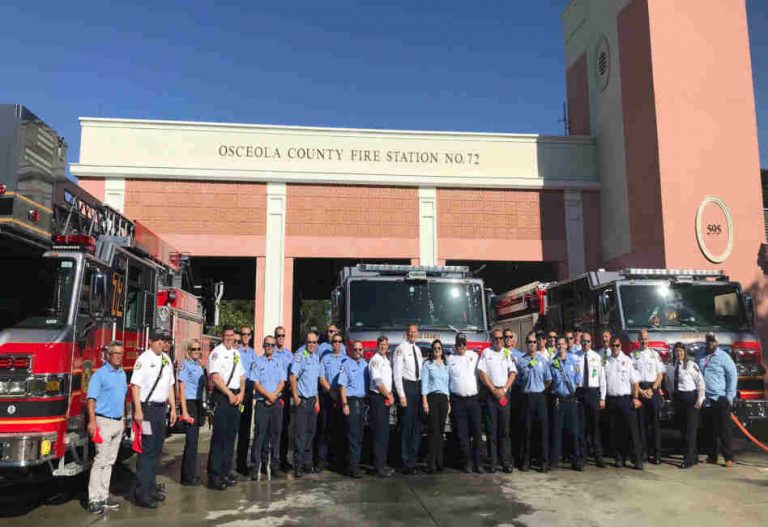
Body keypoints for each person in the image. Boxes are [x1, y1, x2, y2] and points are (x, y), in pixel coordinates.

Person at [131, 330, 177, 508]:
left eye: (163, 340)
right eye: (157, 340)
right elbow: (136, 386)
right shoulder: (144, 359)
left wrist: (173, 407)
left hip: (160, 410)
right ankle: (142, 493)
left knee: (157, 449)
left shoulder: (166, 360)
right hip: (147, 409)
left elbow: (170, 385)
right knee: (147, 450)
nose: (160, 343)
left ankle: (151, 488)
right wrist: (138, 411)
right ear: (151, 342)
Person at [86, 341, 128, 514]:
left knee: (110, 462)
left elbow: (122, 398)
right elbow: (91, 400)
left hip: (118, 421)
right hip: (103, 422)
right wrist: (92, 422)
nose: (118, 356)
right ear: (108, 355)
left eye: (121, 353)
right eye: (115, 353)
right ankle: (93, 499)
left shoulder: (122, 374)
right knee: (100, 461)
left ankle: (103, 496)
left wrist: (124, 419)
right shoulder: (99, 375)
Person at [206, 326, 246, 490]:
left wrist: (242, 392)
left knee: (230, 437)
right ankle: (214, 475)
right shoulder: (217, 353)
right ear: (222, 336)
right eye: (227, 335)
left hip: (236, 397)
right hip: (223, 397)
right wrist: (229, 394)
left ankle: (225, 471)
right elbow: (216, 378)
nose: (230, 338)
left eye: (232, 335)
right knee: (219, 438)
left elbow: (242, 375)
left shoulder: (236, 353)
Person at [478, 329, 517, 473]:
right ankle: (493, 462)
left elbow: (512, 373)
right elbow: (482, 373)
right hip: (491, 395)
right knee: (491, 429)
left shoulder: (507, 353)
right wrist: (493, 389)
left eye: (501, 338)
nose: (499, 341)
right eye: (496, 338)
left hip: (504, 395)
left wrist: (504, 389)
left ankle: (506, 462)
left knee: (505, 430)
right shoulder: (486, 353)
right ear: (491, 339)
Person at [697, 332, 737, 468]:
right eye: (708, 341)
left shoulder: (724, 357)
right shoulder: (700, 356)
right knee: (709, 429)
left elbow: (732, 376)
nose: (710, 343)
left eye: (713, 341)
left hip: (720, 397)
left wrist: (730, 396)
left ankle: (728, 457)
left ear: (717, 342)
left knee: (724, 430)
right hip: (706, 398)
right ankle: (712, 455)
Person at [604, 337, 643, 470]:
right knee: (615, 431)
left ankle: (636, 459)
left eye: (617, 345)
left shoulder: (627, 360)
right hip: (612, 400)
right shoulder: (606, 362)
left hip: (626, 399)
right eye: (613, 345)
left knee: (632, 431)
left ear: (621, 346)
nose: (615, 348)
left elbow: (635, 381)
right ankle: (619, 458)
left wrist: (635, 397)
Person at [250, 334, 286, 479]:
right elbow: (255, 383)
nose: (270, 347)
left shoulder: (279, 362)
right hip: (262, 403)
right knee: (260, 436)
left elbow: (282, 382)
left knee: (275, 435)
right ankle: (255, 467)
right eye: (267, 345)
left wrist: (274, 396)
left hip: (276, 403)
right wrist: (268, 395)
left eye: (272, 345)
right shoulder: (257, 362)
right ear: (263, 346)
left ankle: (274, 466)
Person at [516, 330, 552, 472]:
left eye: (534, 342)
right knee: (527, 431)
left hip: (540, 397)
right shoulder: (521, 361)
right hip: (526, 398)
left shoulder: (543, 361)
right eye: (529, 342)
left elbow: (548, 379)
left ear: (537, 344)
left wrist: (541, 388)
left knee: (542, 431)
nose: (532, 344)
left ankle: (543, 461)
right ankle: (526, 460)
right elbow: (517, 380)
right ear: (526, 344)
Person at [666, 342, 705, 469]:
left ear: (685, 352)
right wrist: (673, 399)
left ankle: (688, 459)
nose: (679, 353)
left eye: (681, 351)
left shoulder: (691, 366)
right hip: (678, 400)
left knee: (691, 431)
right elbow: (669, 384)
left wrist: (700, 400)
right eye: (677, 351)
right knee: (683, 430)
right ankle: (693, 457)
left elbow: (700, 383)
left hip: (691, 400)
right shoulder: (671, 367)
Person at [448, 333, 483, 473]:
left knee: (477, 432)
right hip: (457, 401)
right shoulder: (450, 359)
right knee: (462, 434)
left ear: (466, 344)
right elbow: (447, 380)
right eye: (458, 344)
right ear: (455, 345)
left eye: (463, 344)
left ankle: (478, 463)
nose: (461, 347)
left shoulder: (474, 357)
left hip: (473, 400)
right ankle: (467, 462)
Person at [393, 323, 424, 474]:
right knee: (406, 426)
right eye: (410, 332)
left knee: (417, 426)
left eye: (415, 332)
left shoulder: (417, 350)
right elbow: (397, 374)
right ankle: (405, 462)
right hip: (407, 388)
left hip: (418, 387)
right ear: (406, 333)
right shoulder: (401, 349)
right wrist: (401, 395)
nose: (412, 334)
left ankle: (413, 460)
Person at [549, 337, 583, 471]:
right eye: (558, 344)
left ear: (566, 346)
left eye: (563, 344)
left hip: (570, 399)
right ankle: (554, 461)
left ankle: (576, 460)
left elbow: (578, 379)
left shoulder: (573, 361)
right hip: (558, 399)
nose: (561, 346)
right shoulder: (552, 363)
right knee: (557, 431)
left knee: (574, 431)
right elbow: (550, 381)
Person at [290, 331, 322, 478]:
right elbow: (293, 376)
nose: (311, 345)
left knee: (311, 433)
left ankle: (308, 464)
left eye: (314, 342)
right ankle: (298, 465)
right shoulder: (300, 356)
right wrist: (295, 396)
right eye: (309, 342)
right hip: (302, 400)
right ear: (306, 342)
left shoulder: (316, 358)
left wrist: (317, 401)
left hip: (312, 401)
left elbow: (315, 382)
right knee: (300, 435)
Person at [574, 332, 606, 468]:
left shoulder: (597, 357)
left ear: (591, 342)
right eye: (583, 341)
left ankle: (598, 456)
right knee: (581, 427)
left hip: (593, 392)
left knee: (595, 426)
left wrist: (602, 398)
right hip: (580, 393)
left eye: (587, 341)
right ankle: (582, 457)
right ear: (580, 342)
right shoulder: (575, 357)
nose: (585, 344)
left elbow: (602, 378)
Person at [632, 329, 664, 464]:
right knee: (641, 424)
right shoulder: (633, 355)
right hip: (640, 390)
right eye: (641, 338)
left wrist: (653, 389)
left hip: (653, 389)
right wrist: (640, 391)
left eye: (646, 338)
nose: (644, 341)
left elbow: (660, 374)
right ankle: (643, 453)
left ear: (648, 339)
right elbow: (632, 377)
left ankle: (657, 454)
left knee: (655, 424)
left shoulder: (654, 355)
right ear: (638, 340)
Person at [317, 332, 347, 472]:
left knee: (339, 430)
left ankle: (337, 461)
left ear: (342, 343)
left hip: (341, 398)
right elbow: (321, 377)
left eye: (339, 341)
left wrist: (339, 395)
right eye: (334, 341)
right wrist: (331, 392)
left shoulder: (346, 360)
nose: (336, 343)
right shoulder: (325, 359)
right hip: (328, 397)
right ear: (331, 343)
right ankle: (321, 461)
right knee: (324, 429)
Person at [178, 338, 206, 486]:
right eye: (193, 349)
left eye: (198, 349)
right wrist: (184, 411)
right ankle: (187, 477)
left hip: (197, 403)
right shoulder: (185, 365)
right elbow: (181, 389)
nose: (196, 351)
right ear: (188, 351)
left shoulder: (198, 365)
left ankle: (190, 474)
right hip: (189, 403)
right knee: (190, 442)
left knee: (194, 442)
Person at [339, 340, 368, 478]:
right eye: (356, 350)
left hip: (362, 402)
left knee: (360, 435)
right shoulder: (346, 364)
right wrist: (344, 404)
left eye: (360, 350)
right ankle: (352, 468)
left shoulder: (365, 364)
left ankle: (355, 464)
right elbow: (342, 386)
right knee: (353, 435)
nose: (358, 352)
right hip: (351, 402)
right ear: (351, 351)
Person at [420, 339, 449, 473]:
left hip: (443, 399)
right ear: (432, 350)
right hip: (432, 398)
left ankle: (440, 462)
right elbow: (424, 384)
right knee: (433, 431)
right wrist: (424, 401)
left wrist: (448, 402)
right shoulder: (427, 364)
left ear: (442, 350)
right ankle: (431, 463)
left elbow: (447, 385)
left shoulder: (446, 365)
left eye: (439, 348)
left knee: (441, 432)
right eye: (435, 348)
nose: (437, 350)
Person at [369, 336, 395, 478]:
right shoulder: (376, 360)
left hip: (385, 397)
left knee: (384, 433)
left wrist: (390, 394)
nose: (383, 347)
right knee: (379, 434)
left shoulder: (386, 359)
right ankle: (378, 467)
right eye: (381, 344)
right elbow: (377, 381)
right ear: (377, 345)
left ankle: (383, 464)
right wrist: (389, 395)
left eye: (385, 344)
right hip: (378, 398)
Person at [236, 325, 258, 476]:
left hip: (248, 393)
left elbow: (256, 372)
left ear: (251, 336)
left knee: (244, 429)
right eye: (243, 334)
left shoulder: (253, 354)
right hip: (237, 390)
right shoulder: (235, 352)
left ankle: (242, 464)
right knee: (233, 428)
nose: (245, 336)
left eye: (248, 334)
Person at [273, 326, 294, 471]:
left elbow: (293, 374)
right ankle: (272, 461)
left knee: (285, 429)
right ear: (275, 337)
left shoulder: (289, 354)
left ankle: (283, 460)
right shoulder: (270, 353)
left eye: (283, 336)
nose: (280, 338)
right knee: (274, 430)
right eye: (278, 335)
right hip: (273, 394)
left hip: (285, 393)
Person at [503, 329, 524, 466]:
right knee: (505, 425)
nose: (508, 339)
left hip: (515, 393)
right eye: (506, 337)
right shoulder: (498, 353)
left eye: (511, 337)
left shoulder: (520, 355)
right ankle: (505, 456)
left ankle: (517, 456)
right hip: (503, 393)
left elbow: (522, 374)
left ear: (514, 340)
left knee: (516, 424)